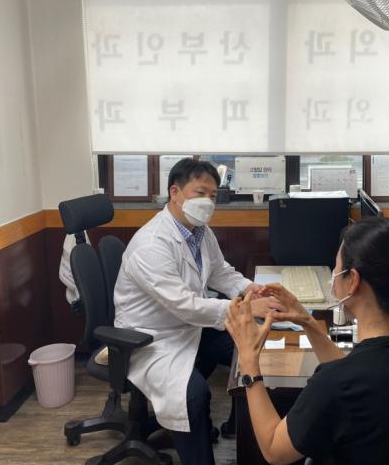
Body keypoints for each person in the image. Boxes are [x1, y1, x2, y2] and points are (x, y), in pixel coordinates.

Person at [225, 217, 389, 465]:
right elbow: (351, 379)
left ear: (353, 280)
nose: (333, 274)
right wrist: (307, 321)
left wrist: (248, 360)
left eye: (336, 267)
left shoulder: (337, 383)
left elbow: (273, 450)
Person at [113, 158, 282, 465]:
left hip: (188, 327)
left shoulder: (199, 231)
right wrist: (244, 307)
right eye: (200, 193)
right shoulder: (151, 244)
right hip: (152, 339)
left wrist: (249, 289)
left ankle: (243, 428)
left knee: (250, 342)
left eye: (213, 195)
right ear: (175, 192)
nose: (208, 202)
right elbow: (184, 305)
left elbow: (220, 271)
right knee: (193, 395)